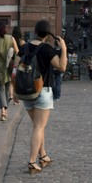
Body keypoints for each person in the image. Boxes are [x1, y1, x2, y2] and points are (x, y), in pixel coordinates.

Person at [18, 19, 67, 174]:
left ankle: (43, 155)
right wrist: (63, 49)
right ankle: (32, 161)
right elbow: (62, 67)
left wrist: (14, 91)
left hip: (26, 92)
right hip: (42, 90)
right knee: (38, 127)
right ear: (47, 34)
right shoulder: (47, 49)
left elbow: (16, 67)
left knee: (38, 127)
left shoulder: (24, 47)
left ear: (35, 31)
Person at [0, 21, 18, 121]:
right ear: (5, 28)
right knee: (7, 89)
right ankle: (5, 110)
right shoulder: (11, 38)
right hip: (9, 67)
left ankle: (3, 109)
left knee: (1, 89)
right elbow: (17, 51)